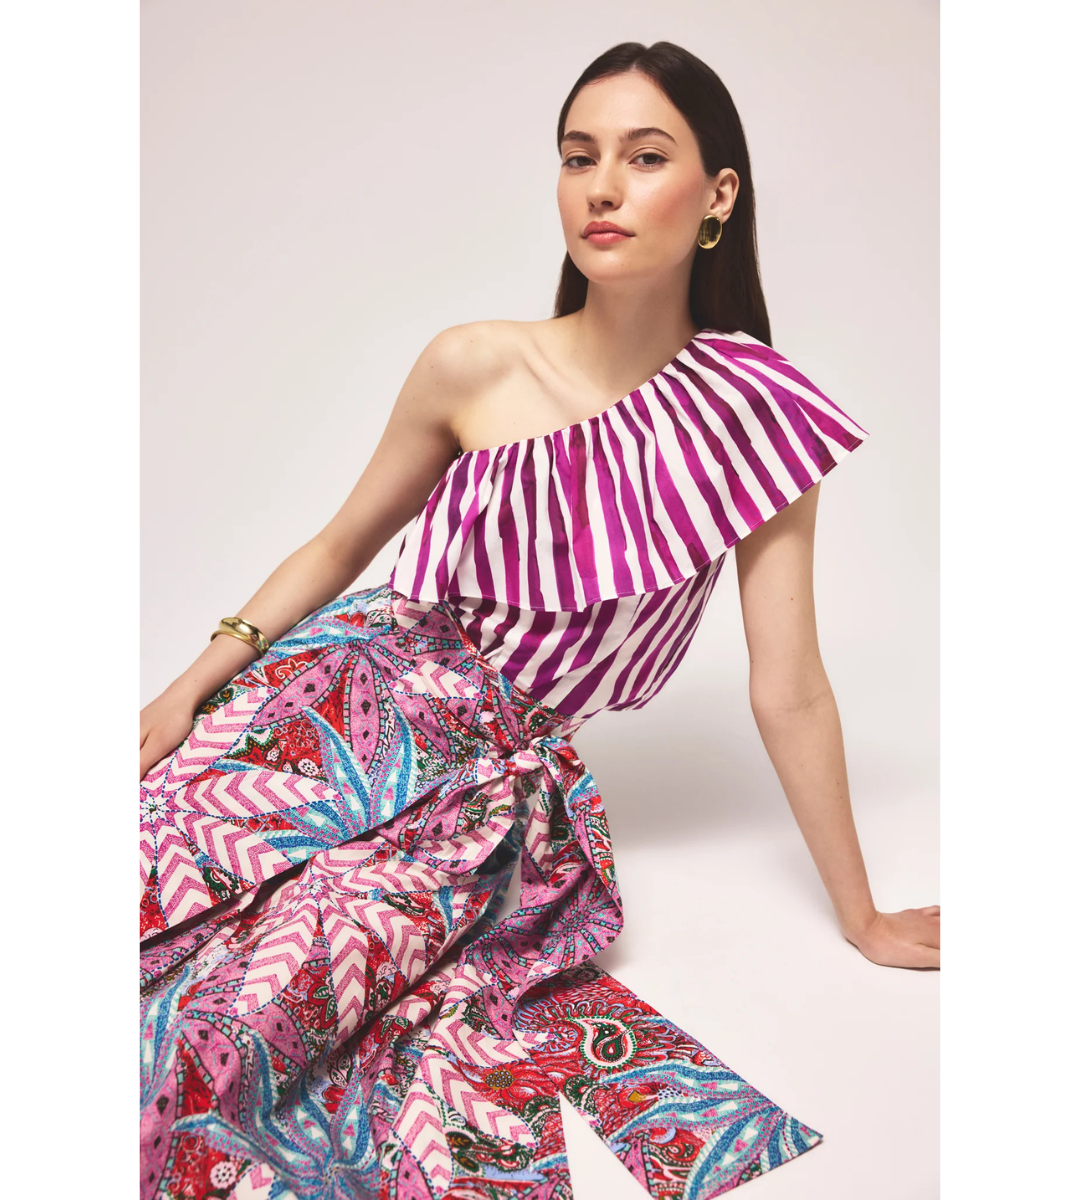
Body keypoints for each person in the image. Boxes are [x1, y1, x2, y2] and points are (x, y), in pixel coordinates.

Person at [139, 40, 939, 1200]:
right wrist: (188, 687)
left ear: (719, 195)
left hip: (482, 797)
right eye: (578, 156)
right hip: (327, 698)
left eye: (645, 156)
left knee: (232, 1025)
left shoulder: (757, 415)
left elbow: (791, 687)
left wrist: (860, 915)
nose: (602, 187)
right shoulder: (472, 363)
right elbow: (337, 547)